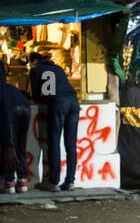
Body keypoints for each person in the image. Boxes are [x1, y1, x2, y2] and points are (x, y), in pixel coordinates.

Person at [28, 51, 80, 191]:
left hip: (58, 104)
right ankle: (70, 181)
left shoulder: (35, 70)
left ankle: (53, 181)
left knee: (54, 142)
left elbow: (36, 95)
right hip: (74, 103)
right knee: (70, 144)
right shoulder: (58, 68)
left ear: (34, 61)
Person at [0, 62, 31, 193]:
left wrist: (8, 143)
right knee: (21, 147)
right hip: (25, 109)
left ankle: (9, 181)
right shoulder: (10, 87)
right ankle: (23, 181)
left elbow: (5, 117)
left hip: (11, 112)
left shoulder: (1, 89)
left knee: (9, 148)